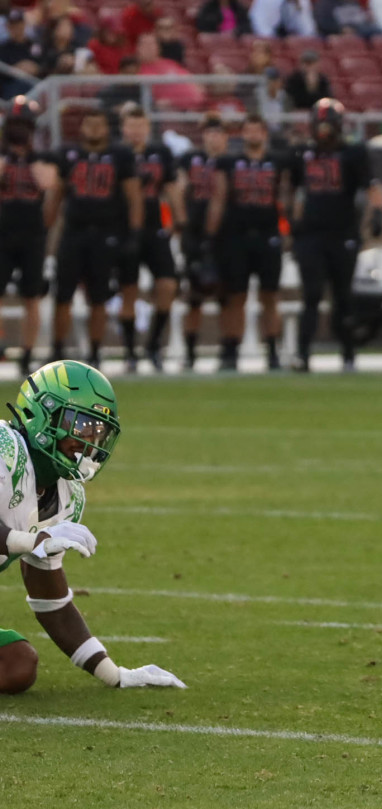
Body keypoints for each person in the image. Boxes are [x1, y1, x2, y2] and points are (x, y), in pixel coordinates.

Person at [0, 360, 186, 694]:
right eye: (82, 425)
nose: (90, 441)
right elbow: (31, 543)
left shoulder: (68, 496)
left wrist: (113, 674)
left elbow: (50, 599)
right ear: (45, 414)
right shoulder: (5, 450)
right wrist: (31, 541)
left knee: (17, 664)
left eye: (98, 431)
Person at [290, 98, 382, 372]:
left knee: (343, 296)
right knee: (311, 294)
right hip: (311, 234)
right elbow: (296, 192)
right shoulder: (304, 155)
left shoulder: (353, 153)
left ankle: (348, 352)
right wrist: (294, 224)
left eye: (327, 124)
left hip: (342, 232)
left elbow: (372, 186)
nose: (322, 130)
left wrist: (377, 213)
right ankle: (303, 354)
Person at [46, 109, 142, 368]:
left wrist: (133, 233)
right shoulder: (68, 154)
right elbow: (57, 194)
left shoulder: (120, 156)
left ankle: (95, 352)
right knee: (62, 294)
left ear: (107, 128)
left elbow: (133, 196)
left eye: (99, 125)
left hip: (104, 233)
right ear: (82, 127)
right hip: (74, 232)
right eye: (89, 124)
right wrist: (47, 230)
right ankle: (57, 349)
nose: (94, 130)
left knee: (98, 296)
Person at [208, 114, 289, 371]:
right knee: (235, 296)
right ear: (242, 134)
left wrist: (287, 232)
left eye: (257, 130)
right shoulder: (229, 162)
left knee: (270, 295)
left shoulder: (276, 161)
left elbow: (285, 197)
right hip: (236, 236)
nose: (253, 135)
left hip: (267, 234)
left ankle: (273, 349)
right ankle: (231, 347)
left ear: (264, 133)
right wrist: (210, 236)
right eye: (248, 130)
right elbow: (219, 197)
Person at [117, 105, 182, 373]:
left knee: (167, 285)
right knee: (129, 291)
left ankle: (154, 344)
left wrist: (180, 221)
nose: (136, 131)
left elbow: (171, 187)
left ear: (147, 127)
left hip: (155, 227)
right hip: (124, 228)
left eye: (140, 125)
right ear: (123, 129)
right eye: (131, 126)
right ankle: (130, 350)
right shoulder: (117, 155)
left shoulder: (160, 153)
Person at [0, 97, 56, 377]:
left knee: (31, 295)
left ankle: (27, 352)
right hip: (3, 231)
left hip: (32, 234)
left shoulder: (42, 157)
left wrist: (26, 157)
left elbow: (47, 182)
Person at [176, 113, 229, 371]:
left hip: (226, 235)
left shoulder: (232, 162)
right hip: (195, 234)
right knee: (194, 295)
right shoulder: (190, 160)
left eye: (217, 132)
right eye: (209, 132)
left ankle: (227, 349)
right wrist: (183, 222)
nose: (213, 137)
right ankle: (190, 350)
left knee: (226, 295)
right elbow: (179, 189)